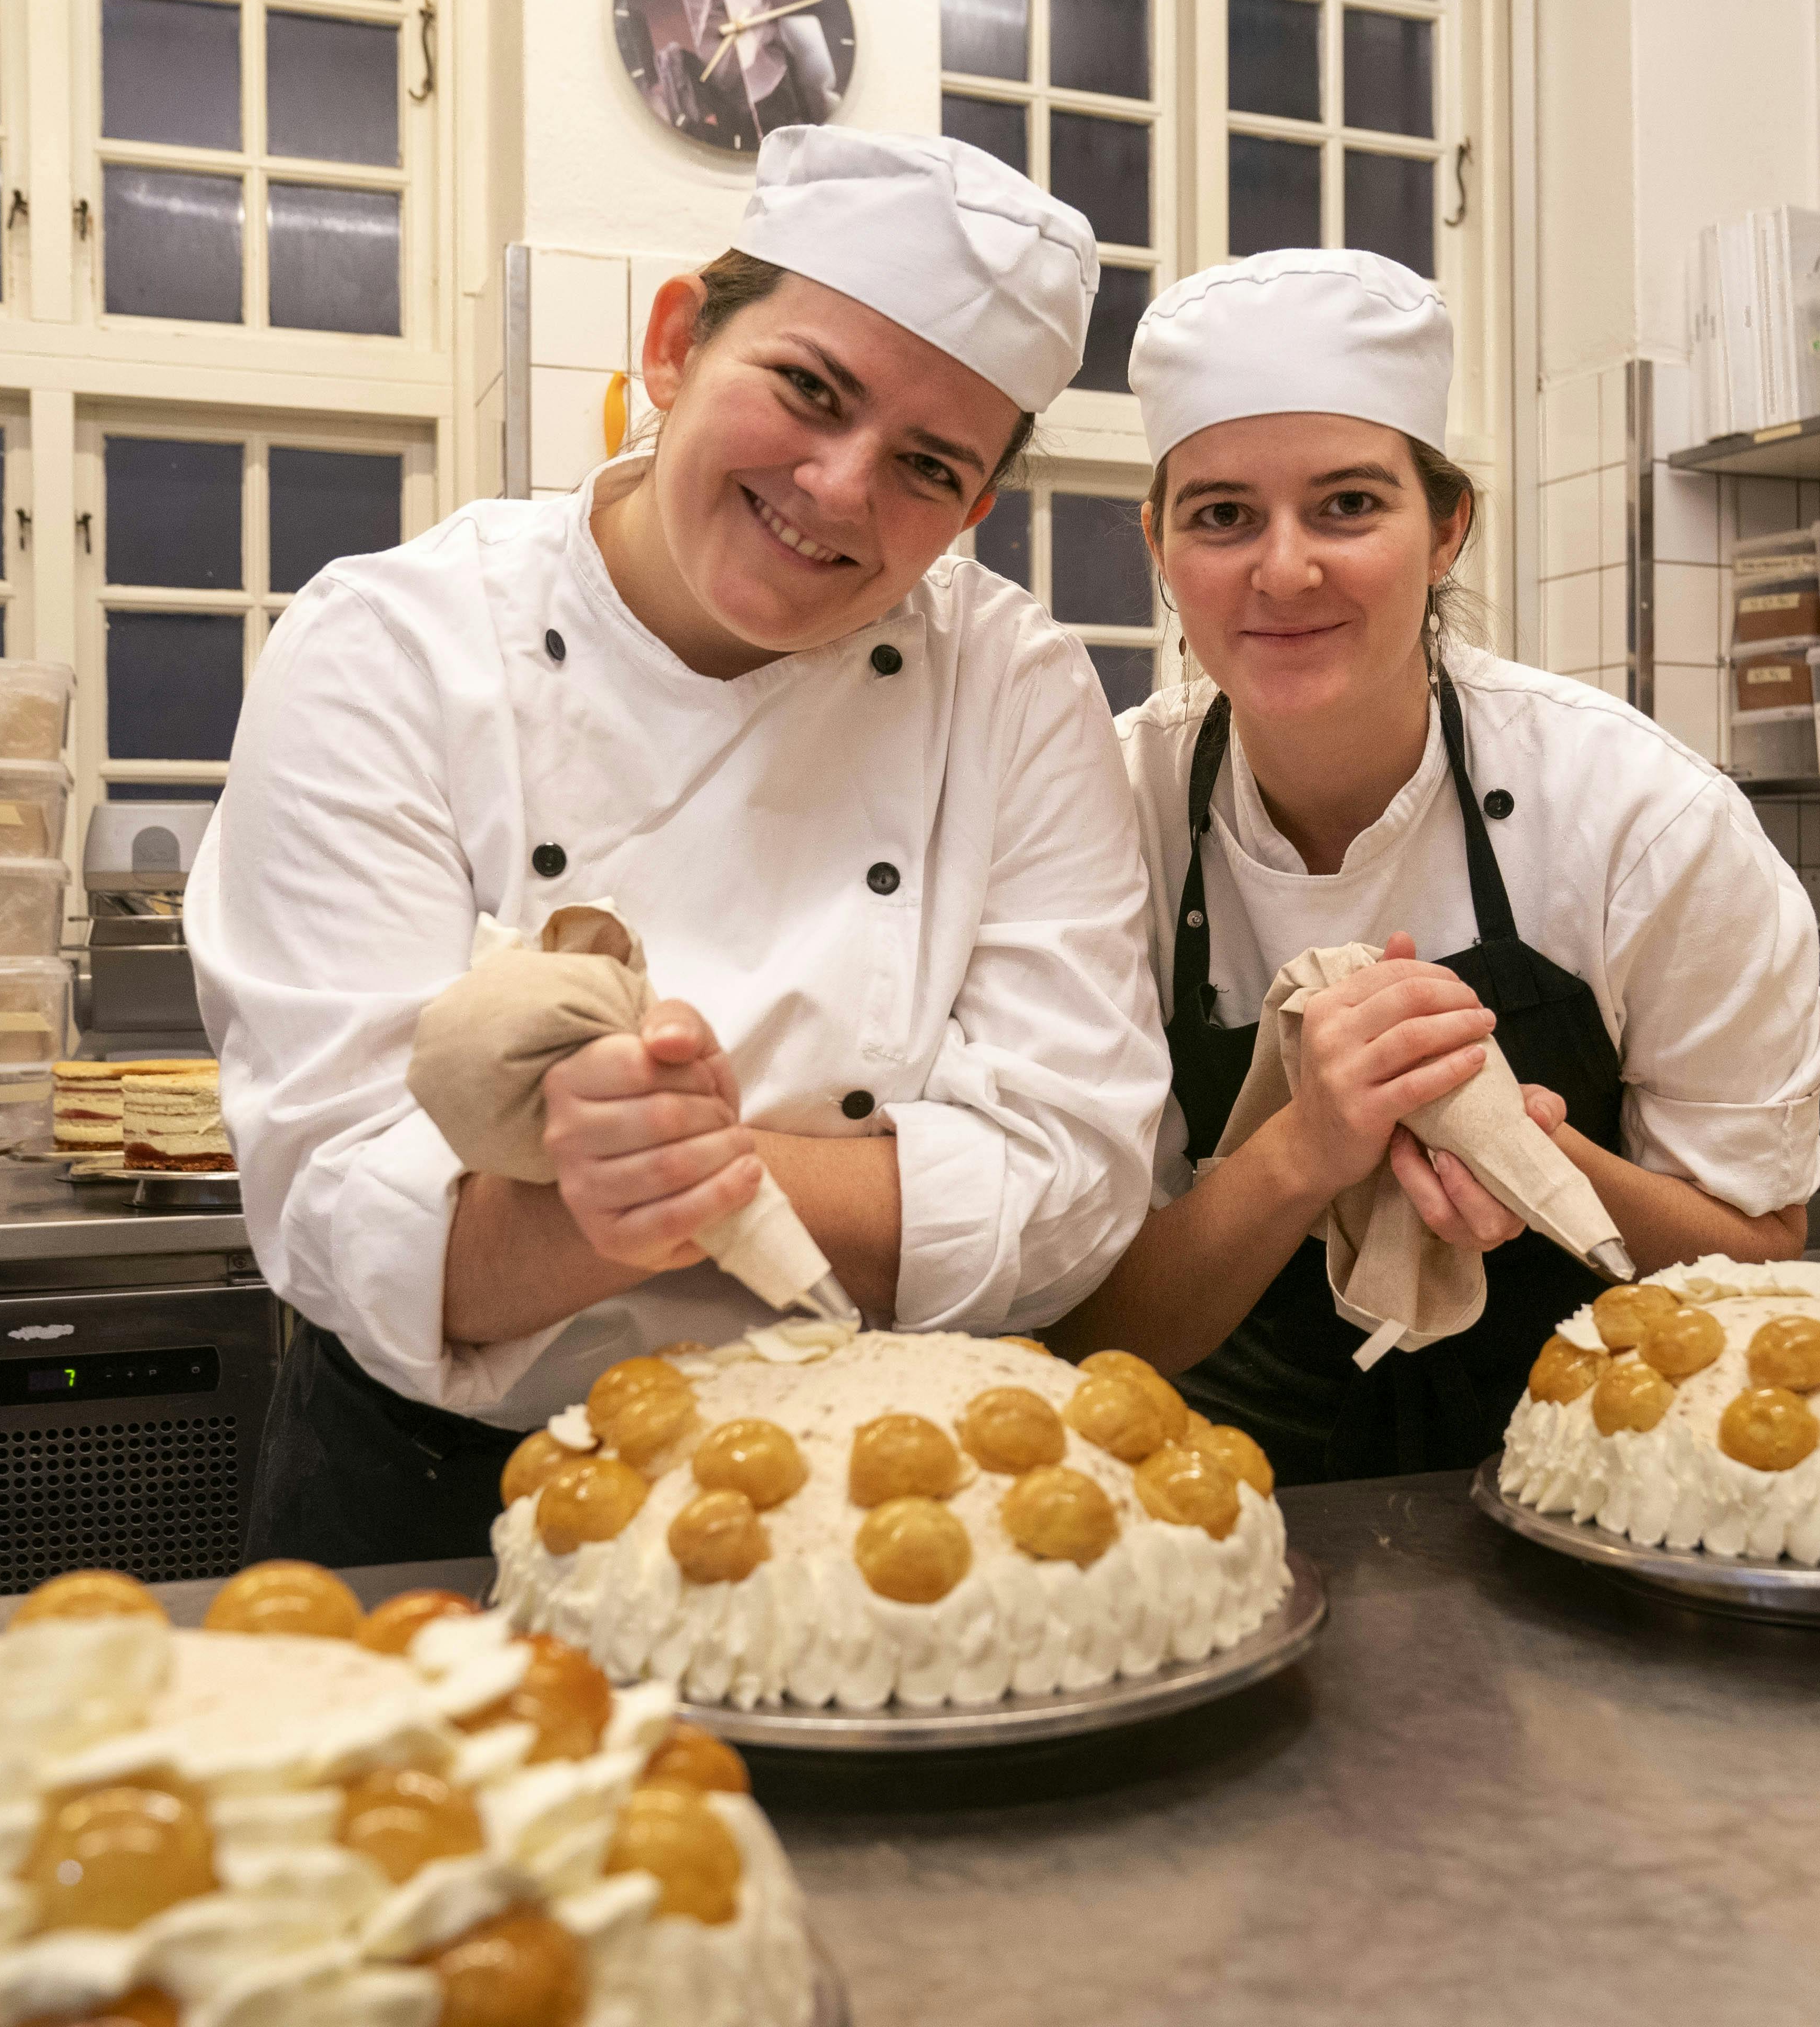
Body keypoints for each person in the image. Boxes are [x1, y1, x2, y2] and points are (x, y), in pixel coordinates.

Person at [188, 129, 1169, 1565]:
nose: (838, 487)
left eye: (926, 465)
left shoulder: (1014, 688)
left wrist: (618, 1184)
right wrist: (676, 1198)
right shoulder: (395, 646)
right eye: (810, 390)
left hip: (871, 1497)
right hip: (448, 1498)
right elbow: (342, 1203)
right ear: (674, 345)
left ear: (974, 510)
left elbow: (1075, 1187)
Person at [1055, 250, 1820, 1485]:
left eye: (1348, 505)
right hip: (1204, 1496)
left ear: (1447, 526)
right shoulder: (1102, 816)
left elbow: (1761, 1263)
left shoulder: (1642, 818)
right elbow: (1090, 1327)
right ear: (1159, 545)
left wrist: (1527, 1156)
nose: (1284, 568)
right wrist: (1306, 1148)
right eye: (1221, 515)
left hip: (1606, 1470)